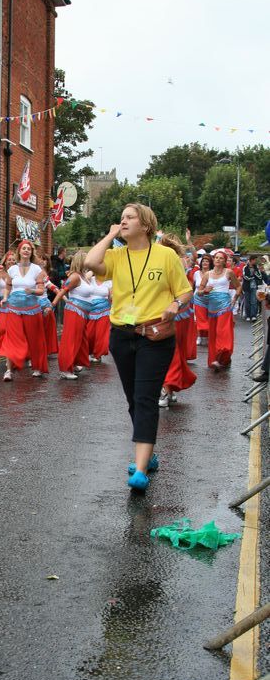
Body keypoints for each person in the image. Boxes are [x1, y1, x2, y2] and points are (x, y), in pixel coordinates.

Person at [85, 203, 192, 491]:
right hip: (121, 335)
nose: (123, 221)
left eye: (129, 217)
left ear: (145, 225)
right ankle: (149, 453)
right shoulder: (116, 256)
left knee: (145, 398)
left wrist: (174, 305)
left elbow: (185, 291)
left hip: (154, 337)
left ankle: (140, 469)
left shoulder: (165, 255)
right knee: (134, 399)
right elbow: (89, 263)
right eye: (121, 218)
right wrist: (109, 235)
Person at [0, 239, 48, 380]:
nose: (26, 250)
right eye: (24, 248)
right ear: (19, 251)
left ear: (31, 252)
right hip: (13, 308)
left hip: (32, 309)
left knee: (34, 339)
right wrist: (5, 298)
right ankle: (8, 371)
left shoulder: (37, 269)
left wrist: (32, 291)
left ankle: (37, 367)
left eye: (29, 249)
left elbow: (41, 290)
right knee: (11, 339)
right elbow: (8, 286)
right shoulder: (12, 269)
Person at [157, 233, 197, 407]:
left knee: (170, 351)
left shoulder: (177, 261)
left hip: (176, 312)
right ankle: (170, 388)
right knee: (173, 351)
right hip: (175, 312)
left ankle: (166, 390)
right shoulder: (176, 259)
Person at [51, 252, 95, 379]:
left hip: (83, 313)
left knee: (80, 339)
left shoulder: (84, 276)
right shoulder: (75, 276)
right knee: (71, 339)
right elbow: (62, 291)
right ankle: (65, 369)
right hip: (75, 312)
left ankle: (74, 363)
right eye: (88, 259)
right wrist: (52, 305)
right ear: (82, 261)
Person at [197, 249, 241, 371]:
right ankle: (216, 359)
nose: (218, 260)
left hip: (225, 307)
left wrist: (234, 299)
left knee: (223, 333)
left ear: (225, 261)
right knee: (214, 334)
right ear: (214, 260)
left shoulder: (229, 272)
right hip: (212, 308)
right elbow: (199, 292)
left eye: (221, 258)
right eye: (216, 257)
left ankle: (222, 356)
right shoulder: (207, 274)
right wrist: (204, 291)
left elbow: (238, 287)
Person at [35, 252, 59, 356]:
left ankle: (41, 351)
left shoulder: (45, 274)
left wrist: (61, 296)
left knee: (43, 329)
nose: (42, 261)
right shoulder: (31, 271)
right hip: (31, 305)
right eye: (39, 258)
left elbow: (52, 286)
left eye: (44, 259)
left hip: (44, 304)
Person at [193, 253, 213, 345]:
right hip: (198, 298)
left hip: (210, 299)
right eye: (203, 261)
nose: (205, 263)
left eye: (207, 261)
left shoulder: (213, 273)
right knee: (199, 319)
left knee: (209, 319)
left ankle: (208, 337)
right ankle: (199, 337)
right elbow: (192, 286)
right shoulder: (196, 273)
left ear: (210, 263)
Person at [242, 255, 264, 321]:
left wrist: (255, 273)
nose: (256, 261)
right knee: (247, 302)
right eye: (255, 260)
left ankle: (253, 315)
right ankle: (247, 315)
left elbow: (260, 276)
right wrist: (252, 277)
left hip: (254, 287)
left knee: (254, 301)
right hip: (247, 287)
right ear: (251, 260)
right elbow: (245, 276)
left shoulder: (256, 267)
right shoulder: (245, 267)